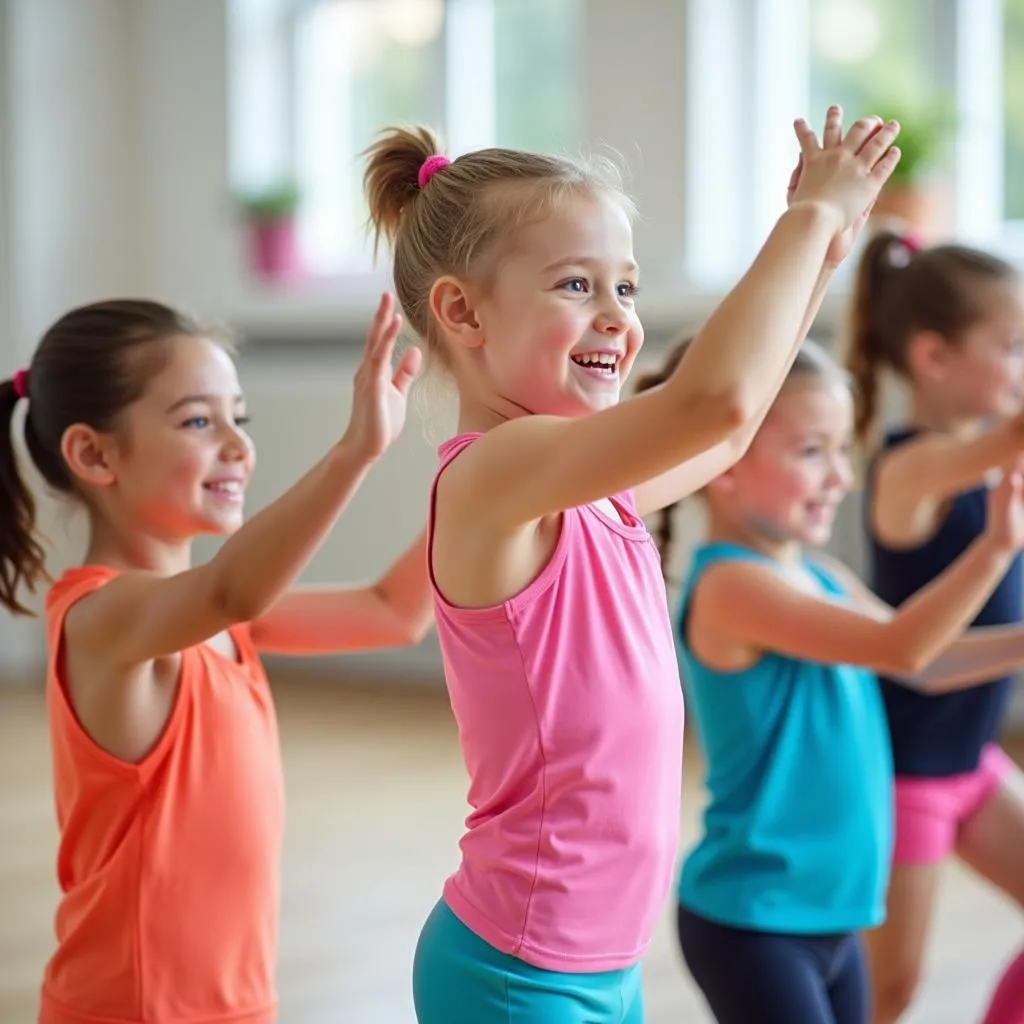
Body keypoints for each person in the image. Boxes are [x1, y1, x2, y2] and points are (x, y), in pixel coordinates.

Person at [362, 107, 901, 1023]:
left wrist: (820, 260)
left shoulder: (588, 495)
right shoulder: (494, 475)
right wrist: (802, 223)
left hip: (604, 965)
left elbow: (730, 435)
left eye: (628, 287)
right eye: (578, 285)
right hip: (513, 974)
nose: (617, 317)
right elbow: (717, 407)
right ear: (462, 312)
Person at [0, 296, 432, 1024]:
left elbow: (396, 611)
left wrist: (499, 483)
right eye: (199, 421)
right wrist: (353, 452)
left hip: (235, 1003)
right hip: (132, 1007)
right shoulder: (101, 620)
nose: (238, 444)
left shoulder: (225, 620)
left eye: (241, 417)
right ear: (93, 453)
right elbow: (231, 587)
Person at [637, 334, 1024, 1024]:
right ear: (724, 463)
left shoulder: (817, 577)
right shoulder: (731, 586)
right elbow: (903, 647)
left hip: (832, 915)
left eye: (842, 450)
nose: (841, 478)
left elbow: (931, 663)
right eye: (813, 452)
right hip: (756, 923)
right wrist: (994, 551)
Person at [848, 230, 1024, 1024]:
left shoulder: (985, 459)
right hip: (906, 776)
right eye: (1013, 346)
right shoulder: (910, 467)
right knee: (888, 992)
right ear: (933, 358)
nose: (1021, 366)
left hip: (971, 764)